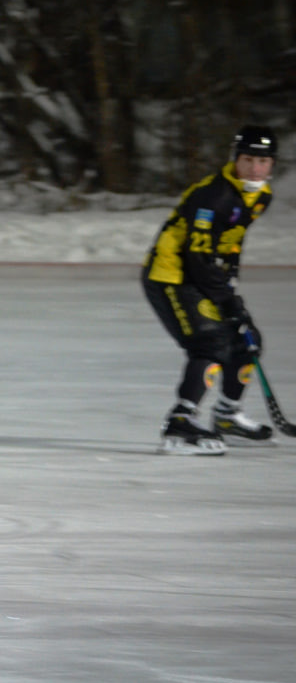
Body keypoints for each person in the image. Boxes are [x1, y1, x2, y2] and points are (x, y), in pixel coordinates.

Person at [141, 125, 278, 455]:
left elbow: (230, 243)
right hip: (172, 276)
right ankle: (180, 423)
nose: (256, 169)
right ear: (235, 159)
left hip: (203, 277)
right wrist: (227, 299)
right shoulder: (214, 196)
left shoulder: (260, 196)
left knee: (247, 341)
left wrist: (230, 287)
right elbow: (197, 257)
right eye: (249, 160)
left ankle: (227, 416)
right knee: (211, 343)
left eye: (264, 161)